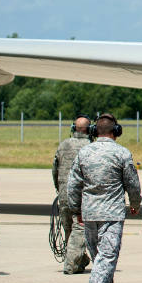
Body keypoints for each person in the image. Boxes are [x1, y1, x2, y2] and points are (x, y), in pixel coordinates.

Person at [67, 113, 140, 283]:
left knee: (99, 258)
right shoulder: (122, 153)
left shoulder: (84, 152)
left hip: (89, 213)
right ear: (116, 132)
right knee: (107, 257)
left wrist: (76, 210)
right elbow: (132, 184)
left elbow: (73, 184)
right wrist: (136, 204)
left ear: (94, 132)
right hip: (111, 214)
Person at [52, 115, 93, 274]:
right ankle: (71, 265)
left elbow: (55, 170)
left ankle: (80, 260)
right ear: (90, 130)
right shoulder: (90, 147)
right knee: (80, 229)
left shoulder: (63, 145)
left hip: (64, 195)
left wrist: (59, 188)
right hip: (81, 197)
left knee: (69, 231)